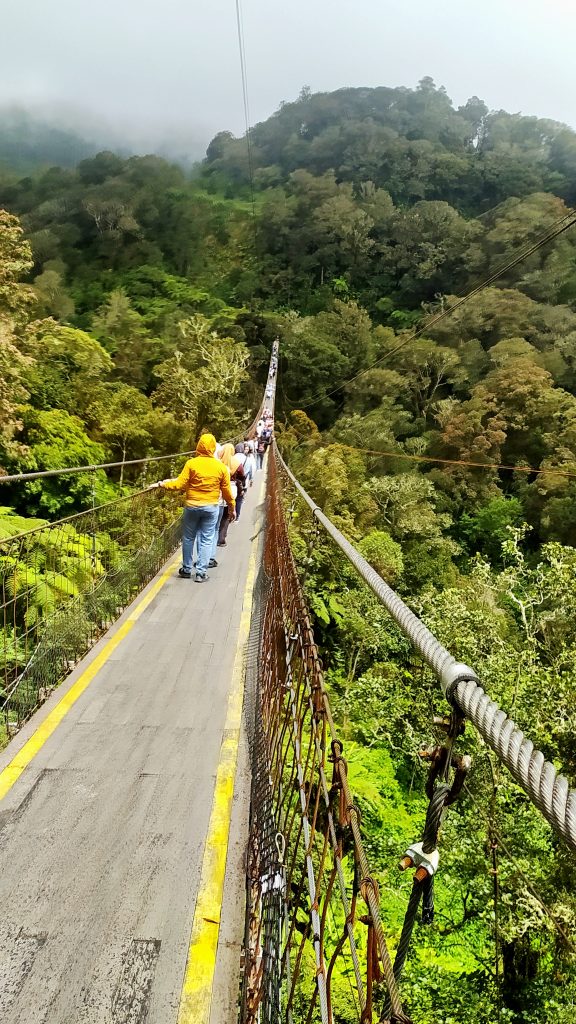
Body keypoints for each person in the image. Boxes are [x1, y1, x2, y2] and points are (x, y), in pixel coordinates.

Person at [153, 433, 235, 582]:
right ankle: (201, 573)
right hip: (211, 508)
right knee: (206, 539)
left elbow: (179, 484)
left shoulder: (191, 463)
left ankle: (186, 569)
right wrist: (232, 508)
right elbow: (227, 492)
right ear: (213, 448)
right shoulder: (221, 467)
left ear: (199, 446)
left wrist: (162, 484)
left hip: (191, 506)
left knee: (188, 537)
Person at [217, 444, 246, 544]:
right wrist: (242, 487)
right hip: (232, 488)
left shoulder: (218, 461)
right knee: (226, 514)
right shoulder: (237, 463)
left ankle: (214, 535)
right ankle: (221, 538)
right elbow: (242, 476)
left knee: (217, 512)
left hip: (218, 489)